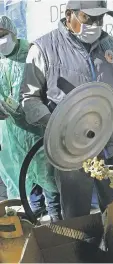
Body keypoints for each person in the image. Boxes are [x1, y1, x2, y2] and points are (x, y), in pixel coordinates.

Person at [20, 1, 113, 219]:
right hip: (71, 149)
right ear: (69, 14)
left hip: (110, 141)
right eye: (88, 18)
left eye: (100, 19)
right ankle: (80, 251)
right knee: (76, 215)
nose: (95, 25)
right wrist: (54, 124)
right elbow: (29, 99)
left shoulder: (109, 45)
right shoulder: (44, 48)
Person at [0, 16, 61, 221]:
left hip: (37, 126)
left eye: (2, 35)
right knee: (24, 169)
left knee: (46, 170)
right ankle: (36, 207)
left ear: (13, 33)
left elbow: (48, 86)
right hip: (13, 128)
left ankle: (54, 211)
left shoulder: (32, 53)